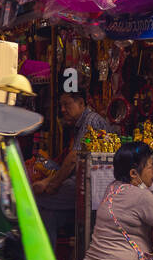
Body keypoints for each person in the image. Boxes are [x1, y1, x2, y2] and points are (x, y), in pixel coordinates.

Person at [33, 91, 117, 242]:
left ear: (81, 104)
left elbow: (73, 159)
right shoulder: (82, 123)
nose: (63, 109)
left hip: (92, 187)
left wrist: (52, 184)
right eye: (61, 106)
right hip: (85, 182)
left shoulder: (90, 120)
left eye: (67, 104)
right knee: (48, 215)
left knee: (34, 197)